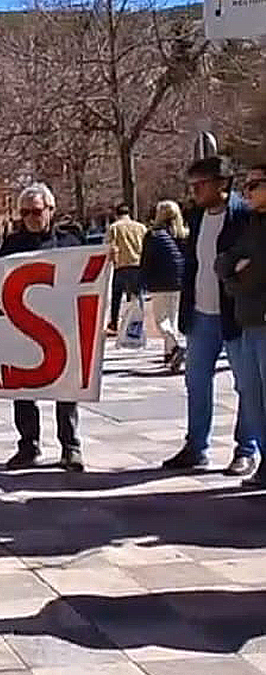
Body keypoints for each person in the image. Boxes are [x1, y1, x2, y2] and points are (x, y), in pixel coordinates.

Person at [162, 156, 259, 477]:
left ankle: (246, 450)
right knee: (196, 381)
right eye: (192, 186)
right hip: (201, 315)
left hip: (235, 315)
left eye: (200, 185)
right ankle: (196, 447)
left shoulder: (245, 216)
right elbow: (192, 266)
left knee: (246, 385)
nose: (194, 192)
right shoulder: (196, 217)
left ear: (222, 184)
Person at [0, 184, 85, 472]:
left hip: (63, 327)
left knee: (66, 389)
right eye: (25, 213)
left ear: (50, 210)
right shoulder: (12, 245)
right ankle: (28, 446)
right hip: (24, 329)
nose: (31, 218)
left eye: (36, 212)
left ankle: (70, 447)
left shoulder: (70, 241)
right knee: (22, 390)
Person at [215, 163, 266, 487]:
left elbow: (255, 272)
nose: (246, 191)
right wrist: (236, 276)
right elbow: (224, 264)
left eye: (254, 184)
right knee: (251, 396)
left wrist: (238, 276)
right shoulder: (252, 224)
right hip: (247, 322)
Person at [141, 201, 189, 371]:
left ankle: (175, 347)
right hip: (179, 280)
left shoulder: (153, 235)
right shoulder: (183, 234)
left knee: (161, 321)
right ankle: (169, 354)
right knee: (172, 319)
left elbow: (146, 261)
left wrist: (143, 281)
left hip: (160, 281)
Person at [107, 204, 148, 335]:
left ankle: (114, 323)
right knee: (138, 296)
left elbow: (110, 246)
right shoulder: (141, 227)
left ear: (116, 214)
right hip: (138, 265)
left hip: (121, 266)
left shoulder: (114, 228)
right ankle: (138, 324)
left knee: (116, 297)